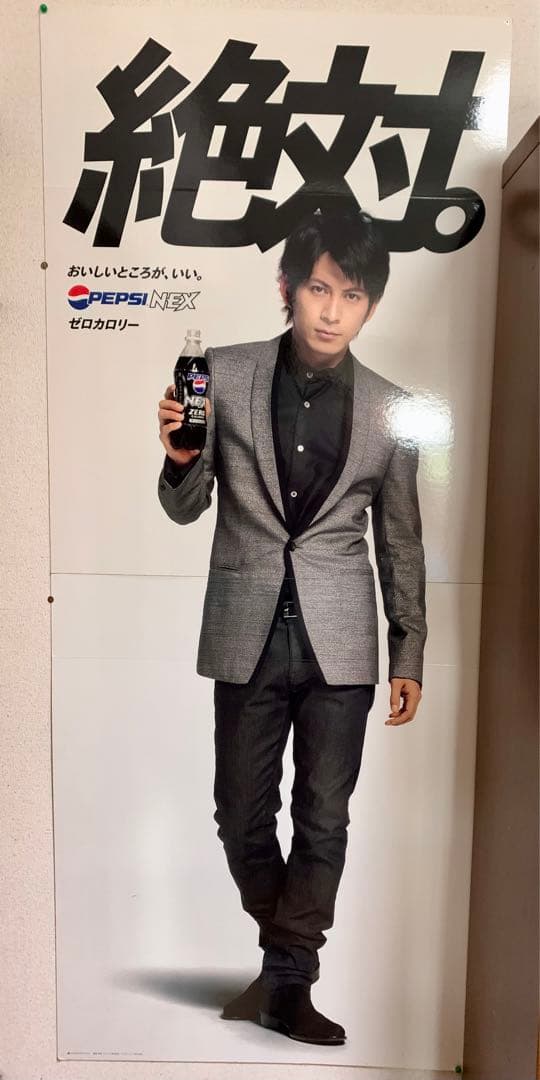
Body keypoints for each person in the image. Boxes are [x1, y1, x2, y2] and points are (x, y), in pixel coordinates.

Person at [157, 209, 427, 1046]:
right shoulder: (222, 372)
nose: (332, 311)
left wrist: (409, 650)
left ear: (370, 305)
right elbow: (184, 508)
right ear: (288, 288)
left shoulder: (391, 409)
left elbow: (401, 542)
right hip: (246, 630)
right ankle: (287, 956)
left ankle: (288, 982)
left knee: (322, 819)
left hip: (340, 645)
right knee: (239, 815)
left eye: (352, 295)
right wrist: (178, 460)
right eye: (318, 288)